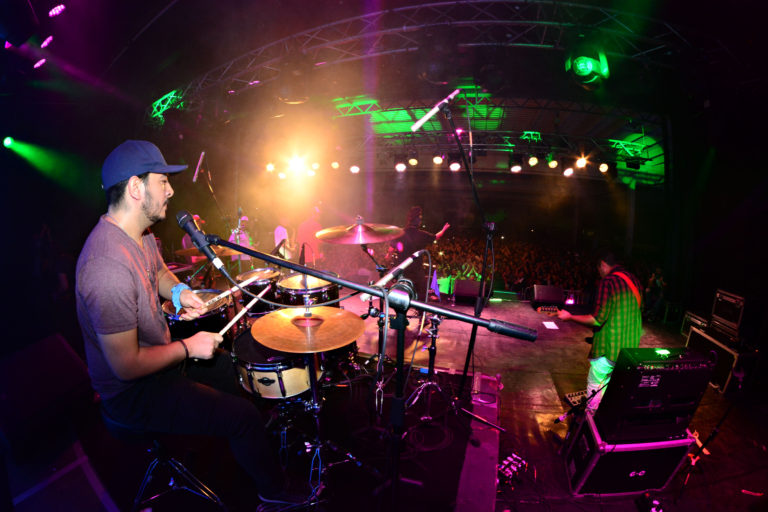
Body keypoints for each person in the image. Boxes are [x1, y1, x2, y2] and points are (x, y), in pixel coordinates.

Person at [75, 140, 300, 505]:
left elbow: (160, 271)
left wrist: (180, 292)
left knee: (240, 370)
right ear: (135, 188)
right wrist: (187, 347)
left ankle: (253, 443)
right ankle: (276, 495)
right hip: (132, 393)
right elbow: (126, 366)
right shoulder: (106, 268)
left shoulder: (140, 235)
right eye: (163, 181)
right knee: (241, 417)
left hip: (160, 363)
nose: (171, 190)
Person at [556, 249, 643, 412]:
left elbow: (597, 319)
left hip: (609, 349)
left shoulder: (608, 281)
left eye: (599, 269)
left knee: (596, 386)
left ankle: (591, 420)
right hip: (629, 350)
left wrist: (570, 316)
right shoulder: (634, 281)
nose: (599, 273)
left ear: (603, 265)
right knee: (613, 388)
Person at [388, 206, 450, 296]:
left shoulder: (400, 233)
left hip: (402, 269)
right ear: (417, 221)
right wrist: (443, 229)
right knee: (421, 293)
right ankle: (419, 304)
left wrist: (388, 256)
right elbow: (436, 236)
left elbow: (391, 248)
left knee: (401, 292)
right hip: (416, 270)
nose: (420, 221)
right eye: (420, 219)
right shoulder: (421, 234)